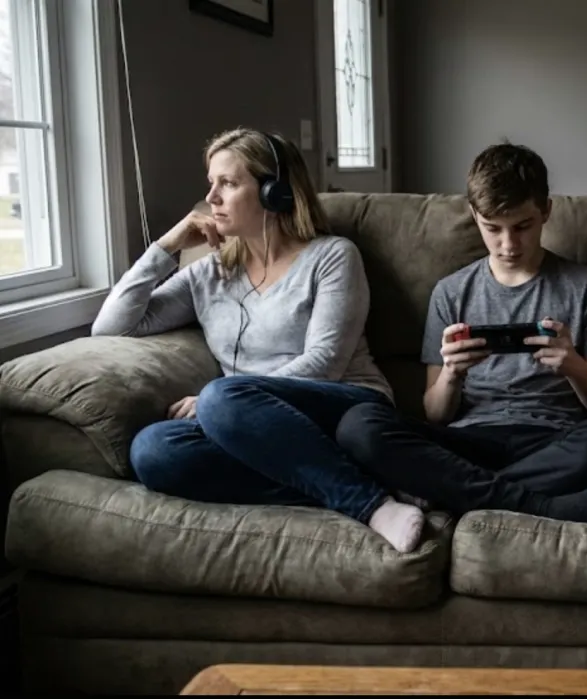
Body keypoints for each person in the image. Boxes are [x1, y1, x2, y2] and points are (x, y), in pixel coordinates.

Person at [91, 128, 425, 554]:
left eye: (228, 183)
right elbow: (112, 326)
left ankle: (371, 505)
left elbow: (326, 362)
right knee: (153, 451)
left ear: (275, 192)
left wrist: (227, 397)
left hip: (343, 405)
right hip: (252, 427)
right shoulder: (209, 273)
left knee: (221, 397)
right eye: (211, 183)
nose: (211, 197)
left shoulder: (332, 256)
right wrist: (166, 246)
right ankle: (351, 482)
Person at [336, 143, 587, 526]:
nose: (508, 245)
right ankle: (543, 506)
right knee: (359, 425)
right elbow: (435, 414)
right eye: (492, 228)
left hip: (551, 439)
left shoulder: (584, 285)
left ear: (546, 211)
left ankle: (453, 494)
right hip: (469, 442)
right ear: (474, 215)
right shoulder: (451, 292)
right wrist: (452, 374)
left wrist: (573, 366)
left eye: (522, 226)